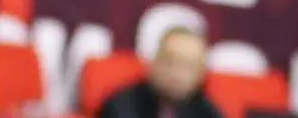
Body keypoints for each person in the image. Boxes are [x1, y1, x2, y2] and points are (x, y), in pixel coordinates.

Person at [95, 27, 224, 118]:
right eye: (170, 61)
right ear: (153, 63)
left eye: (187, 66)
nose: (177, 74)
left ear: (201, 75)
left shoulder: (208, 113)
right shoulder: (120, 106)